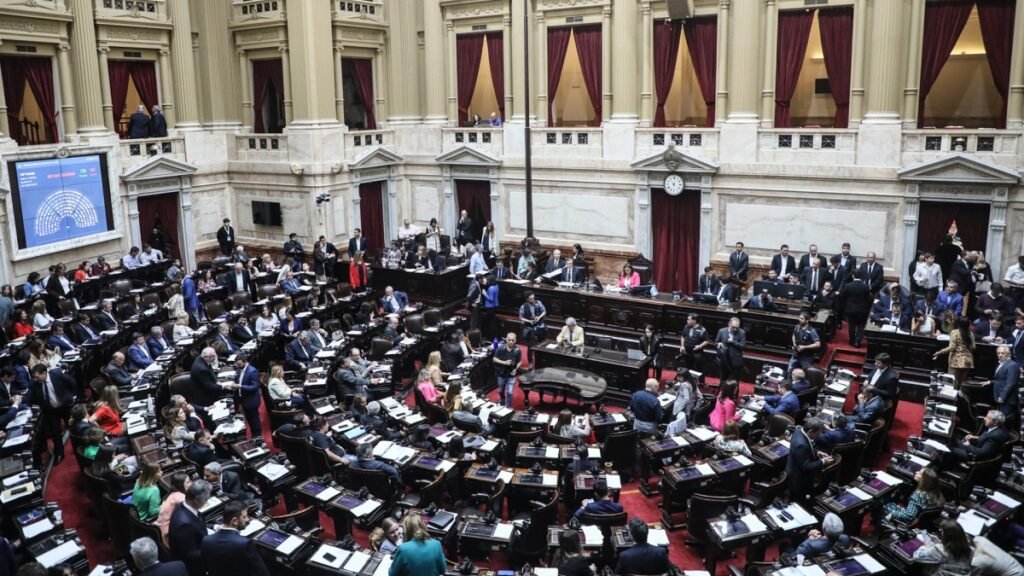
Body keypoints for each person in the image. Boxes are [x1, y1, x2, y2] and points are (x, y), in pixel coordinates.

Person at [202, 501, 270, 576]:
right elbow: (261, 571)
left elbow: (205, 567)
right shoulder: (244, 543)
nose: (247, 519)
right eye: (244, 517)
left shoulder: (206, 540)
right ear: (234, 521)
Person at [787, 417, 832, 503]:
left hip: (794, 467)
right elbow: (806, 466)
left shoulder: (799, 431)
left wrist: (817, 452)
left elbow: (807, 448)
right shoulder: (801, 444)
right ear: (810, 431)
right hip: (799, 479)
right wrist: (823, 461)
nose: (819, 436)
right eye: (818, 434)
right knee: (800, 502)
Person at [933, 317, 975, 386]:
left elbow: (952, 348)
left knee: (950, 384)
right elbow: (973, 347)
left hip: (956, 361)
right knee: (962, 385)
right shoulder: (971, 334)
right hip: (967, 361)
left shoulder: (955, 332)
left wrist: (939, 352)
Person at [233, 352, 262, 438]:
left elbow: (254, 387)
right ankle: (254, 435)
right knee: (249, 419)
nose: (237, 366)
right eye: (237, 364)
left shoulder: (252, 371)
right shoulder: (239, 369)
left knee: (254, 420)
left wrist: (240, 386)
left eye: (239, 364)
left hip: (251, 400)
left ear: (245, 361)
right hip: (243, 399)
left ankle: (258, 437)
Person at [987, 345, 1020, 415]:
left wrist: (1002, 397)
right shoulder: (1000, 364)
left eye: (1002, 353)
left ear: (1008, 354)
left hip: (1007, 399)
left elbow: (1011, 383)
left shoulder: (1012, 365)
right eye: (998, 353)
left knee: (1002, 421)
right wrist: (990, 382)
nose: (1000, 355)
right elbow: (1002, 380)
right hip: (999, 397)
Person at [519, 291, 546, 367]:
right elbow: (521, 317)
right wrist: (529, 321)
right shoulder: (523, 306)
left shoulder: (538, 303)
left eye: (533, 298)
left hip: (539, 326)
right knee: (530, 346)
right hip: (530, 327)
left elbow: (544, 311)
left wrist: (539, 317)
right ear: (527, 299)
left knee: (542, 344)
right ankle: (530, 362)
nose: (533, 300)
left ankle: (542, 360)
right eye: (531, 299)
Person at [493, 332, 521, 408]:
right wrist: (504, 363)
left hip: (511, 375)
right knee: (500, 390)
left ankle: (508, 407)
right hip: (501, 374)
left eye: (512, 340)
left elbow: (520, 361)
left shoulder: (517, 350)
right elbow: (494, 359)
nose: (511, 342)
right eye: (509, 340)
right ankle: (502, 399)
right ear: (506, 340)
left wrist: (516, 369)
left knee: (510, 392)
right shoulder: (501, 348)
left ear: (515, 340)